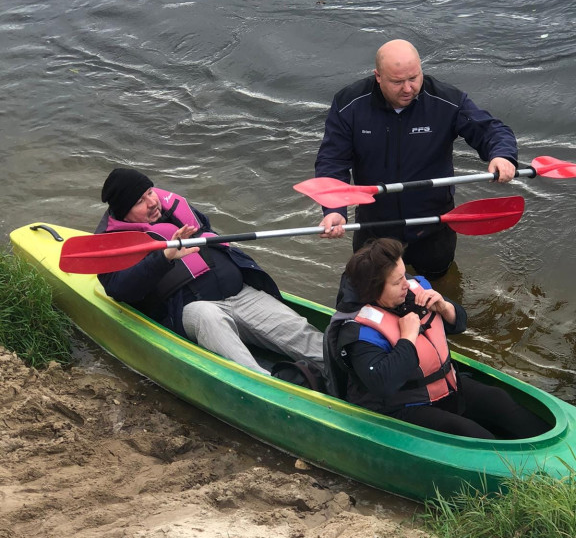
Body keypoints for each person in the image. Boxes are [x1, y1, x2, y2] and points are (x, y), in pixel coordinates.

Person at [315, 39, 518, 279]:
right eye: (397, 81)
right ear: (378, 76)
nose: (408, 88)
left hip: (433, 223)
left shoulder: (446, 100)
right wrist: (334, 209)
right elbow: (332, 161)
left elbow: (491, 130)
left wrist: (502, 155)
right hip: (375, 225)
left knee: (438, 287)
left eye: (414, 78)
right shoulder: (349, 104)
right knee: (372, 290)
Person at [95, 167, 324, 375]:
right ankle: (264, 382)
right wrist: (163, 257)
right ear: (124, 212)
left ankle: (348, 373)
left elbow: (206, 230)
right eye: (139, 202)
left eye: (150, 193)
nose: (152, 202)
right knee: (210, 317)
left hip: (240, 293)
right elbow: (119, 289)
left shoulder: (173, 208)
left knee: (300, 332)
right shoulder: (113, 243)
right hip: (193, 310)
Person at [323, 238, 548, 439]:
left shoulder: (412, 290)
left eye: (404, 274)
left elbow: (458, 324)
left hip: (446, 386)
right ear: (374, 289)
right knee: (470, 434)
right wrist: (408, 336)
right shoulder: (357, 332)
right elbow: (383, 382)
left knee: (500, 402)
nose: (406, 283)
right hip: (400, 406)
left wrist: (446, 307)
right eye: (396, 281)